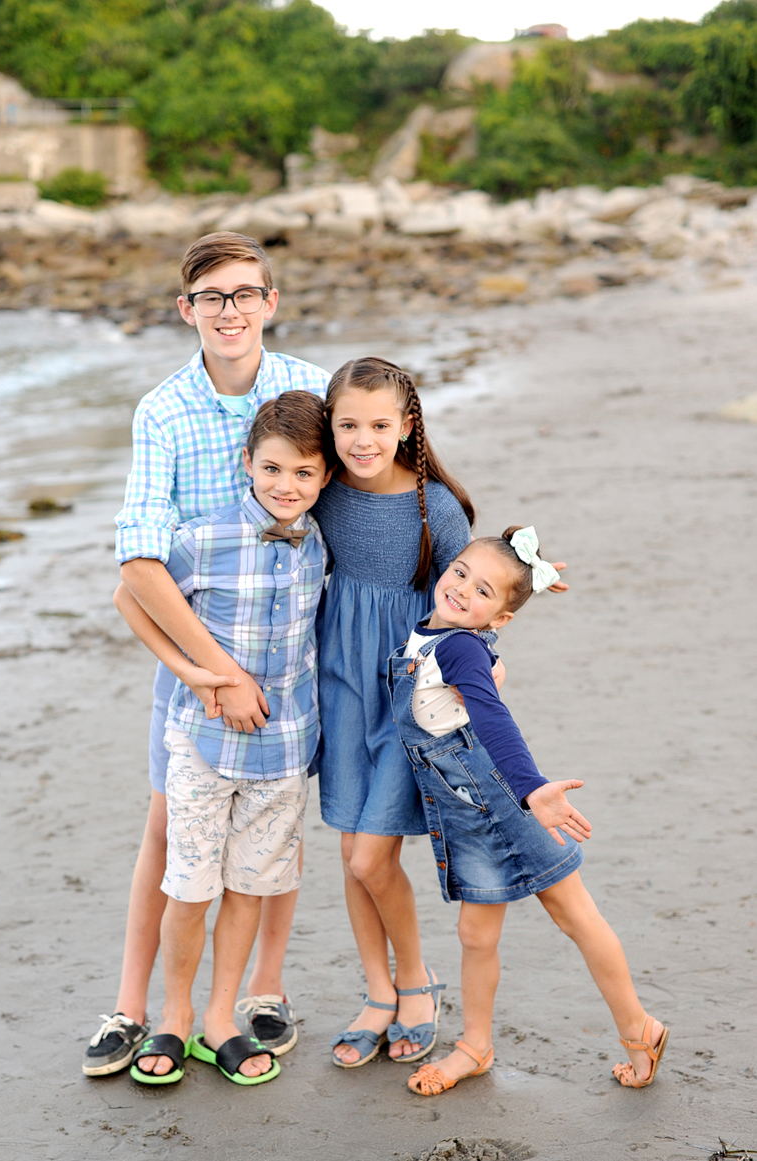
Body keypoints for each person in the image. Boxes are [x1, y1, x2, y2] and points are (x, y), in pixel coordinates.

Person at [83, 232, 328, 1079]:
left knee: (274, 829)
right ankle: (136, 1003)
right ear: (187, 309)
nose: (232, 311)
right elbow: (140, 563)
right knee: (170, 828)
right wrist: (216, 675)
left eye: (246, 294)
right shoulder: (163, 409)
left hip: (292, 660)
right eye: (213, 297)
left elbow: (376, 498)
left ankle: (259, 990)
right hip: (197, 669)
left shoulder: (312, 389)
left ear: (271, 301)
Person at [388, 527, 668, 1096]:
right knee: (475, 935)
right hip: (467, 817)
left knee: (576, 917)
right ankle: (476, 1045)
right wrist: (523, 567)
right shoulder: (431, 630)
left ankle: (640, 1028)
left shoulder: (460, 646)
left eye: (485, 592)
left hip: (505, 806)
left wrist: (533, 788)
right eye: (462, 572)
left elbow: (493, 719)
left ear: (499, 621)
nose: (464, 589)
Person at [311, 356, 509, 1068]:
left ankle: (416, 981)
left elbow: (472, 599)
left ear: (407, 426)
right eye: (348, 424)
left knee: (372, 853)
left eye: (379, 425)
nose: (363, 439)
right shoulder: (324, 492)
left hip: (409, 694)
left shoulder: (435, 507)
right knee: (349, 851)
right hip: (339, 684)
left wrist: (484, 662)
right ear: (329, 426)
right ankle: (377, 990)